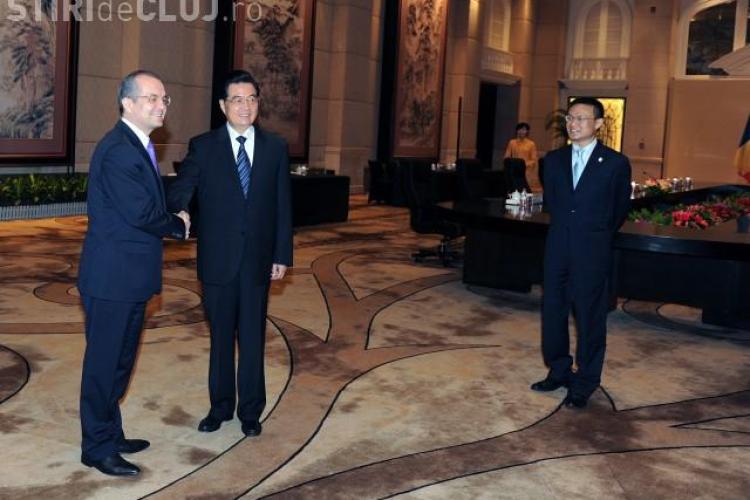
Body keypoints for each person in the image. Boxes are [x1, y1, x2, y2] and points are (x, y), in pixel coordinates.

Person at [167, 70, 293, 437]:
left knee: (252, 339)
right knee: (221, 338)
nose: (245, 106)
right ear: (223, 106)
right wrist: (178, 210)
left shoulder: (275, 147)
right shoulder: (204, 146)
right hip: (217, 260)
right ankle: (220, 407)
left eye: (251, 99)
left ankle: (251, 411)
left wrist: (282, 254)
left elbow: (283, 206)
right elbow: (182, 187)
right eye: (237, 100)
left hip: (258, 261)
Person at [77, 70, 189, 477]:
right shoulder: (119, 150)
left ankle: (111, 432)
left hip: (128, 276)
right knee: (105, 364)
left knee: (121, 361)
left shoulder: (137, 144)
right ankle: (97, 447)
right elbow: (140, 212)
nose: (161, 105)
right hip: (112, 278)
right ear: (127, 103)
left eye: (164, 99)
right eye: (152, 98)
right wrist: (177, 224)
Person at [530, 97, 631, 409]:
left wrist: (594, 235)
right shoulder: (553, 160)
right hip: (557, 248)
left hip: (592, 250)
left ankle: (586, 380)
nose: (573, 124)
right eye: (570, 118)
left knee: (589, 316)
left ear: (598, 124)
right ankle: (558, 370)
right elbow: (553, 203)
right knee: (553, 311)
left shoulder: (615, 163)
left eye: (581, 119)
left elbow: (618, 210)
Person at [504, 122, 541, 192]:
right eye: (520, 129)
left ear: (527, 131)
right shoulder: (512, 142)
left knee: (525, 190)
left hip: (526, 171)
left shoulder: (531, 144)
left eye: (524, 129)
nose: (522, 131)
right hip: (514, 171)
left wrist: (524, 165)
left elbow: (534, 160)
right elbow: (507, 157)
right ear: (517, 131)